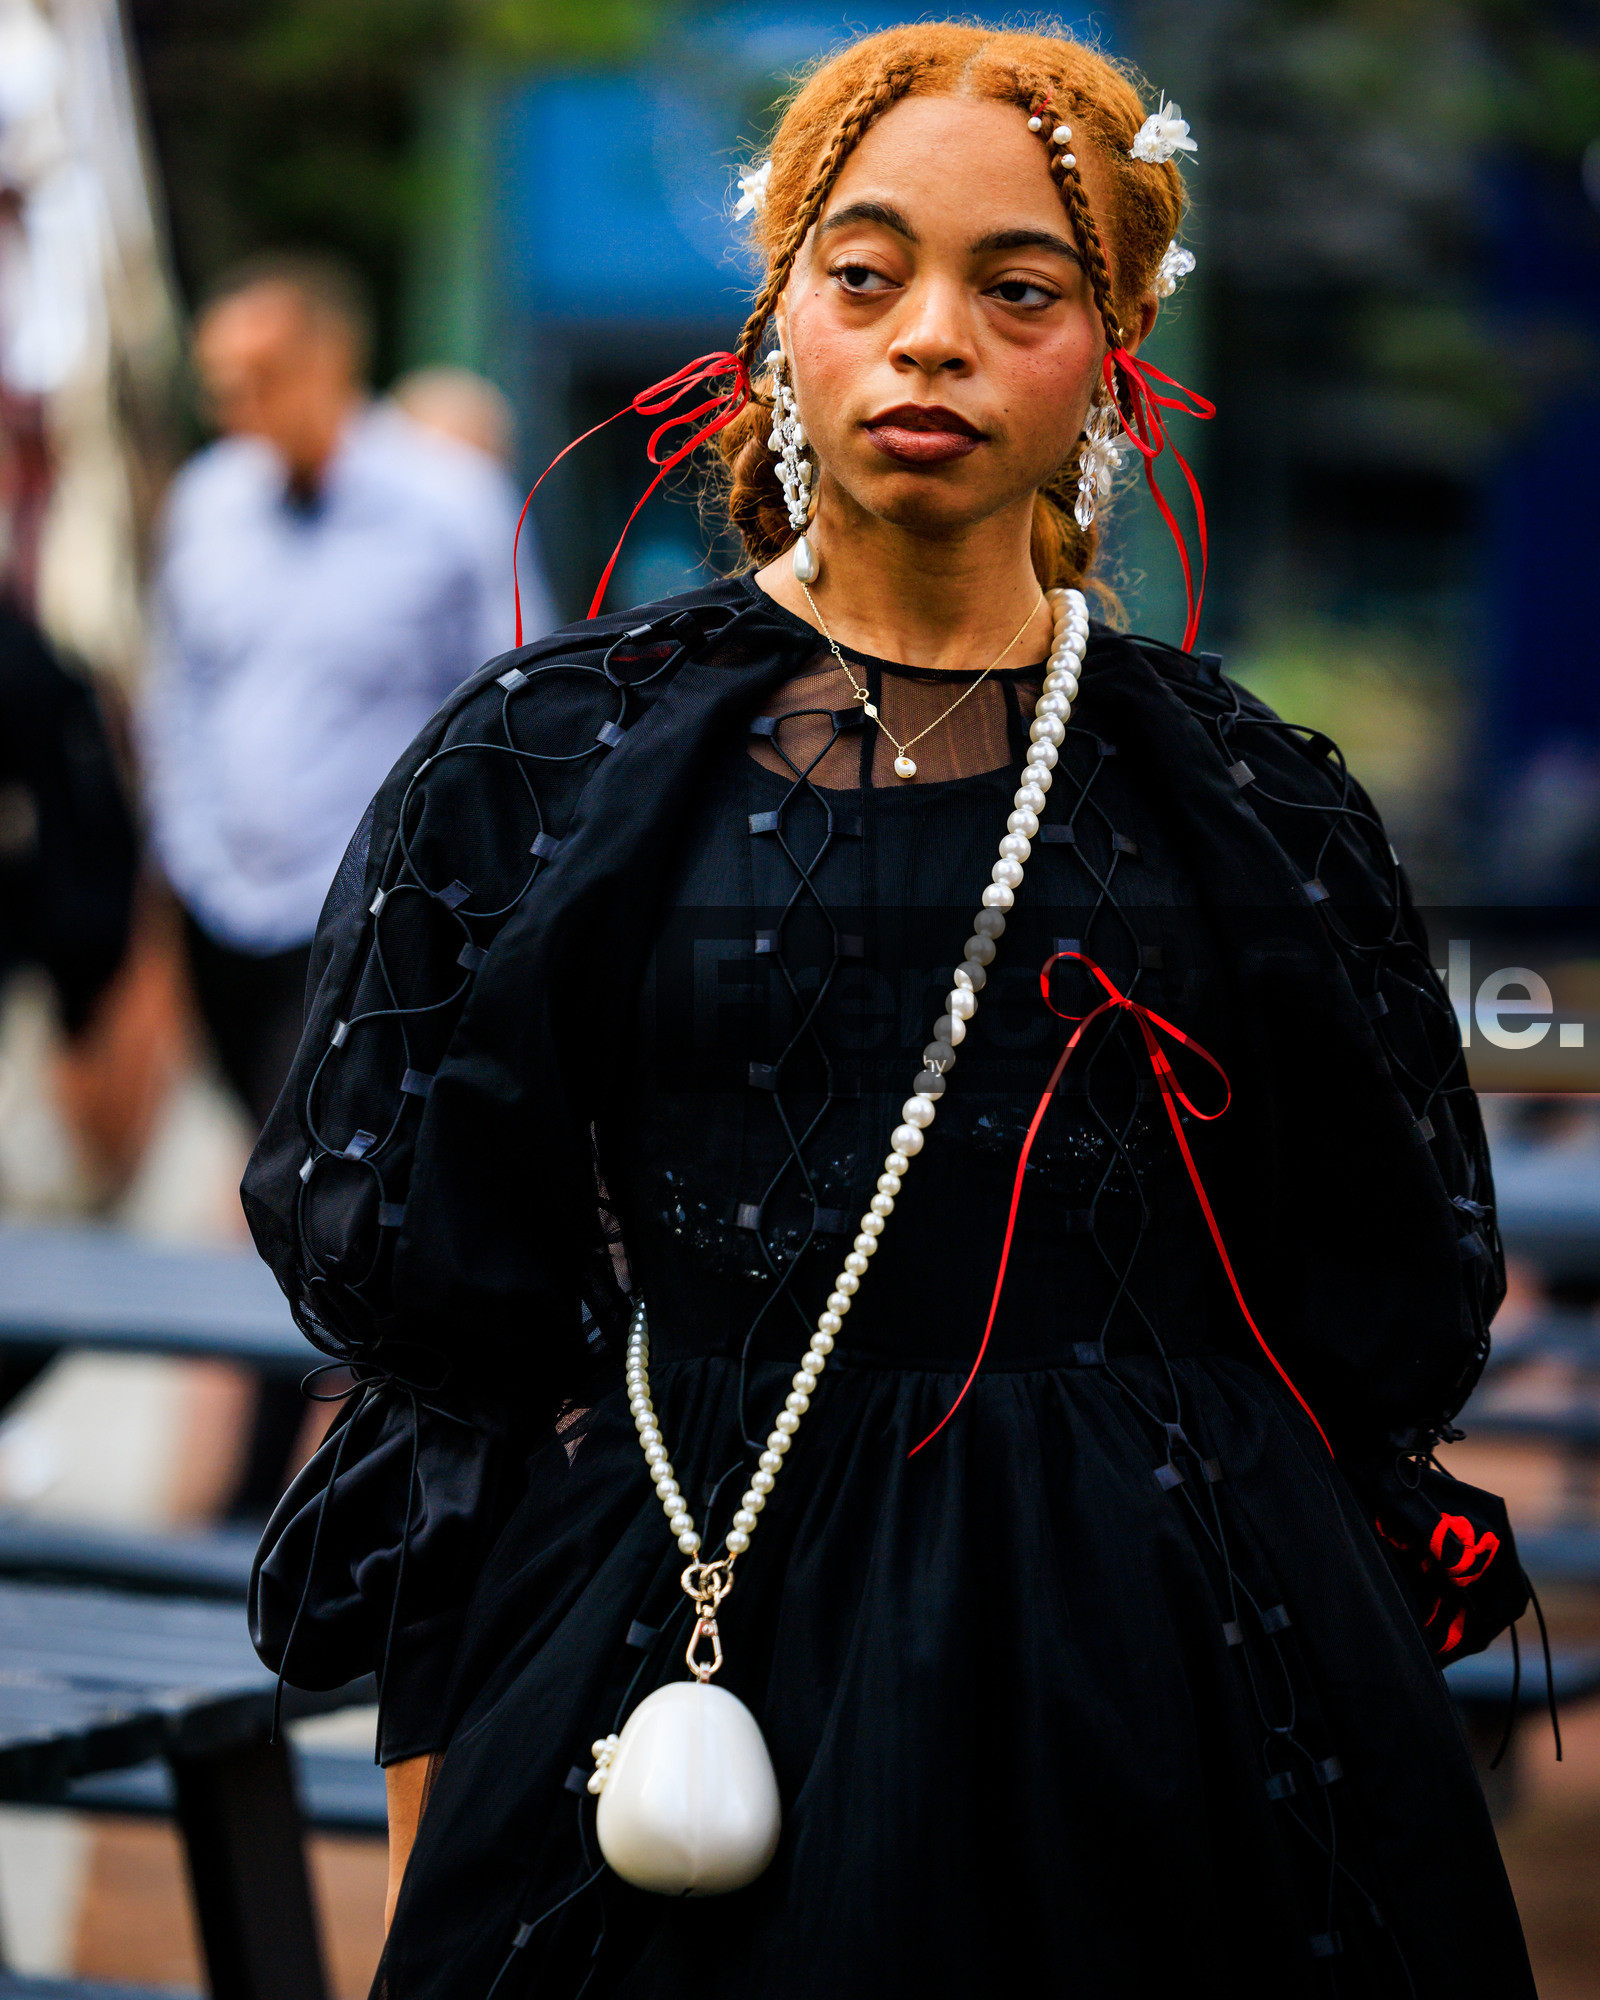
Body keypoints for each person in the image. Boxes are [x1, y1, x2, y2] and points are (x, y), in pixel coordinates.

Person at [243, 27, 1535, 1999]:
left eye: (1015, 288)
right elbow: (457, 1348)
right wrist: (452, 1801)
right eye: (866, 275)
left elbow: (1367, 1299)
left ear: (1108, 348)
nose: (927, 337)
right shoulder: (549, 766)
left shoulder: (1249, 805)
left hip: (1166, 1668)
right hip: (683, 1611)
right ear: (782, 317)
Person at [142, 252, 556, 1515]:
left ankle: (281, 1496)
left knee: (311, 1188)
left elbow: (516, 693)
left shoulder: (447, 505)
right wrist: (192, 856)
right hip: (226, 907)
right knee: (284, 1181)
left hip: (366, 923)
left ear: (328, 362)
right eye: (218, 383)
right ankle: (301, 1492)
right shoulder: (208, 502)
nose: (235, 405)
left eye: (257, 376)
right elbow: (179, 694)